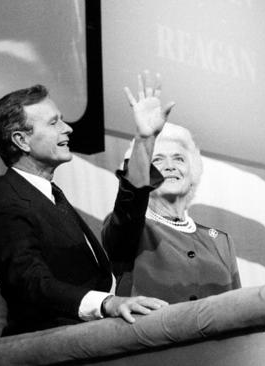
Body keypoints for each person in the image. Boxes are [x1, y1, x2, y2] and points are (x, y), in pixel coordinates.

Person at [0, 82, 168, 336]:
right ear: (21, 140)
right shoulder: (7, 205)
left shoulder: (47, 194)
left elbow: (126, 223)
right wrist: (106, 303)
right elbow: (32, 284)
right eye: (54, 122)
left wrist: (145, 140)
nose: (67, 128)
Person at [102, 71, 241, 304]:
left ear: (192, 171)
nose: (170, 167)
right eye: (158, 160)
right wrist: (145, 140)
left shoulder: (220, 241)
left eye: (178, 159)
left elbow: (237, 307)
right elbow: (131, 198)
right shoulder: (130, 229)